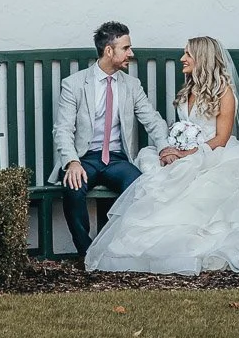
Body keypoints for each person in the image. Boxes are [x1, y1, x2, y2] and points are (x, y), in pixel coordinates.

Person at [84, 36, 239, 276]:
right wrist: (173, 148)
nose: (182, 58)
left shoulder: (224, 94)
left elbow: (221, 138)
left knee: (197, 195)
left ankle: (189, 249)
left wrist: (187, 153)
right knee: (155, 176)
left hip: (213, 155)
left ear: (202, 58)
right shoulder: (189, 89)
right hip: (186, 153)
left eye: (188, 54)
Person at [50, 22, 172, 259]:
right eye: (125, 48)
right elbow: (63, 129)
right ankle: (87, 253)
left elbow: (153, 120)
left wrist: (164, 147)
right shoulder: (74, 84)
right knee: (73, 185)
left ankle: (117, 250)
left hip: (117, 159)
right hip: (85, 158)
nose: (131, 53)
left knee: (138, 186)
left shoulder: (132, 85)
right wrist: (72, 162)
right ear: (109, 51)